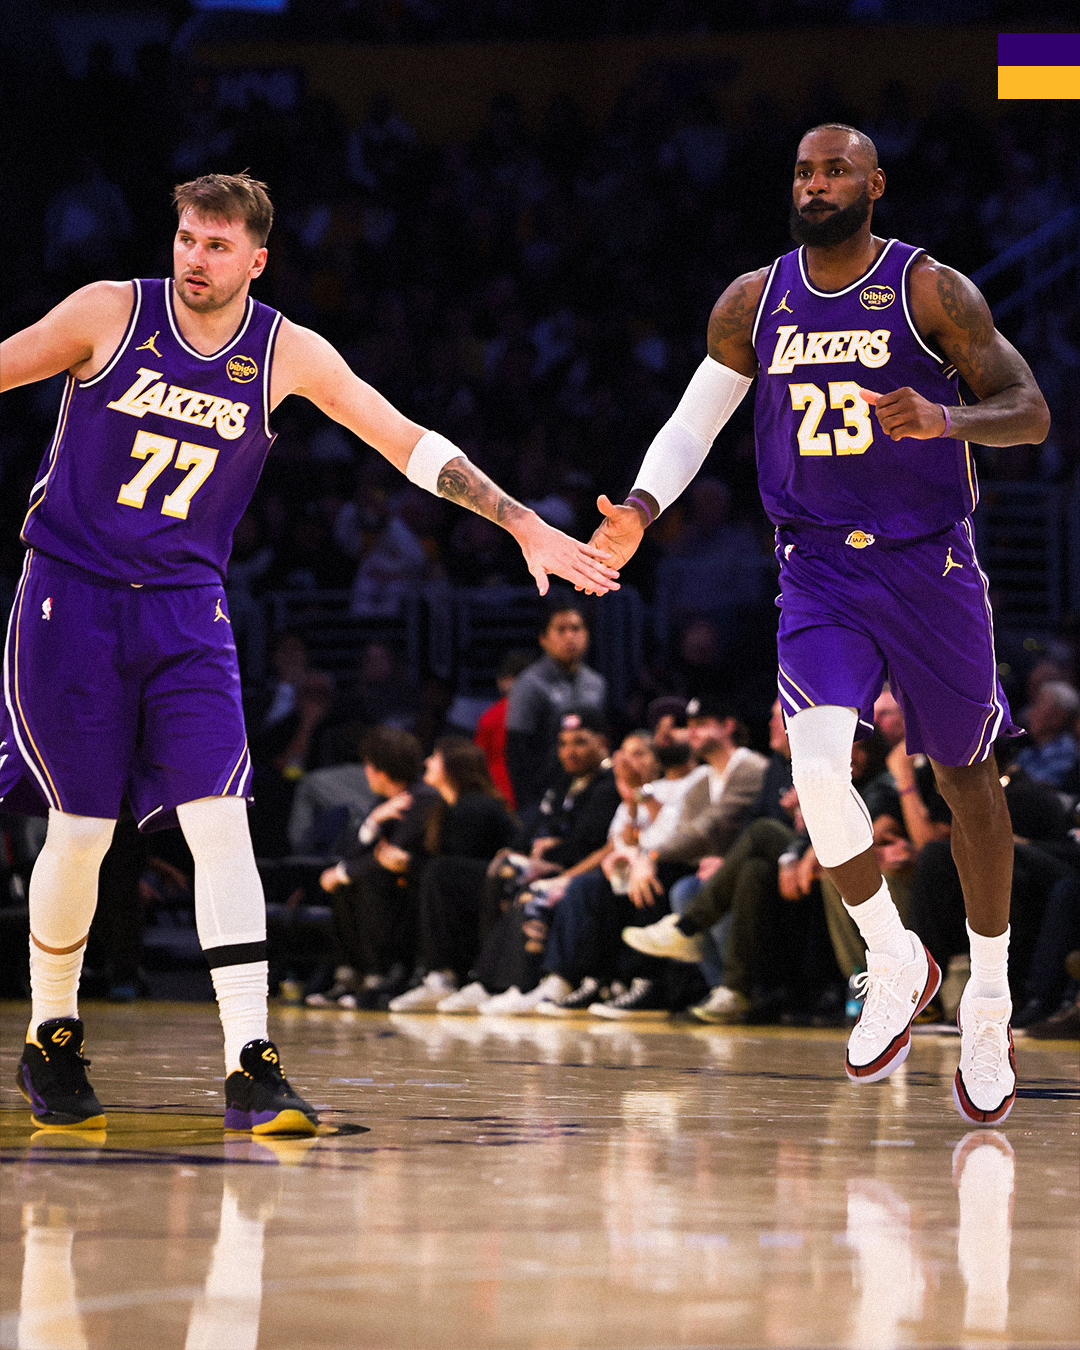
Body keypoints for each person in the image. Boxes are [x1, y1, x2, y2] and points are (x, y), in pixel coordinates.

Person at [0, 171, 618, 1134]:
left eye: (216, 246)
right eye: (186, 239)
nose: (195, 259)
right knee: (82, 833)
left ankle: (251, 1061)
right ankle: (52, 1034)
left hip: (186, 608)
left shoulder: (287, 350)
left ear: (256, 260)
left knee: (221, 824)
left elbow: (407, 442)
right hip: (70, 596)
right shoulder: (108, 312)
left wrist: (522, 522)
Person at [587, 124, 1051, 1124]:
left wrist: (947, 418)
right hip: (818, 569)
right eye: (804, 170)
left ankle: (989, 997)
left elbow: (1030, 409)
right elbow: (694, 422)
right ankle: (895, 957)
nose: (816, 183)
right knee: (816, 768)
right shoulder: (753, 301)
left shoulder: (930, 290)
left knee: (966, 779)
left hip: (928, 563)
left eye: (837, 170)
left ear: (875, 185)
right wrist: (639, 509)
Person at [310, 727, 442, 1008]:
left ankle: (378, 972)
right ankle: (351, 973)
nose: (366, 772)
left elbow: (389, 857)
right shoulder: (385, 802)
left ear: (381, 770)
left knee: (363, 879)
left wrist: (343, 872)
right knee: (345, 883)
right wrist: (372, 822)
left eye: (368, 766)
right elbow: (353, 854)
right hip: (392, 883)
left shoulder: (422, 799)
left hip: (415, 886)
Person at [386, 737, 517, 1010]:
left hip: (503, 886)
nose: (427, 762)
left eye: (434, 757)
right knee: (411, 879)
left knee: (439, 873)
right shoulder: (443, 808)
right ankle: (405, 972)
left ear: (451, 766)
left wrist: (410, 863)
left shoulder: (475, 807)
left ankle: (443, 975)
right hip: (476, 886)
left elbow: (459, 865)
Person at [504, 601, 608, 812]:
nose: (570, 637)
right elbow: (517, 751)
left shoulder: (596, 683)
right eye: (561, 630)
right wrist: (530, 803)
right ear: (543, 639)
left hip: (589, 791)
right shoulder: (529, 684)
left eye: (576, 628)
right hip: (542, 792)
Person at [474, 649, 534, 809]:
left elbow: (478, 761)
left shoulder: (491, 716)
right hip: (532, 793)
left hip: (500, 795)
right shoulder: (544, 712)